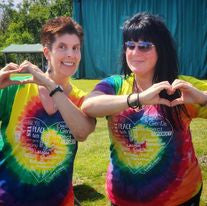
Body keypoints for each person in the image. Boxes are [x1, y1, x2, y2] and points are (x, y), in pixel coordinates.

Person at [82, 12, 207, 206]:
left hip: (180, 198)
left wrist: (201, 97)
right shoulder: (115, 85)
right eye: (130, 45)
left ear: (162, 50)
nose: (135, 52)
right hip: (123, 199)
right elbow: (89, 106)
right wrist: (138, 98)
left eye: (145, 46)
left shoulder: (180, 87)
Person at [0, 16, 95, 206]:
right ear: (47, 52)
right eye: (62, 47)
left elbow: (82, 132)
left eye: (76, 48)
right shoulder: (19, 85)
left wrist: (49, 83)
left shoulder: (82, 99)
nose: (71, 54)